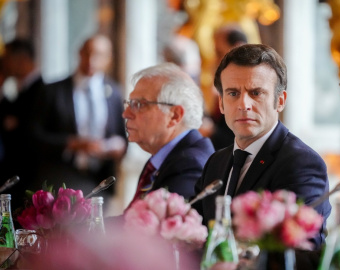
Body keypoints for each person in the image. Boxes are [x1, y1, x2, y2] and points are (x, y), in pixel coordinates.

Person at [192, 44, 331, 248]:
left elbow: (303, 250)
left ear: (280, 101)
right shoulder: (215, 162)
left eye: (256, 93)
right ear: (221, 103)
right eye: (233, 93)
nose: (243, 104)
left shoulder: (301, 163)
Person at [32, 34, 127, 201]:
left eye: (98, 55)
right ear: (79, 53)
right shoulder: (53, 91)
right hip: (61, 178)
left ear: (108, 59)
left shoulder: (114, 92)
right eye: (88, 53)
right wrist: (71, 143)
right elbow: (33, 135)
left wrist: (114, 147)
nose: (91, 60)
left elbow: (122, 137)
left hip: (100, 181)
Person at [123, 63, 214, 208]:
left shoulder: (190, 164)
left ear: (175, 116)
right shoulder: (161, 159)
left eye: (138, 104)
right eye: (129, 104)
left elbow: (150, 227)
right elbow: (131, 220)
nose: (126, 113)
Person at [0, 39, 45, 211]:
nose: (3, 63)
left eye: (6, 58)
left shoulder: (42, 92)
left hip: (29, 181)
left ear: (22, 59)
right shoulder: (20, 92)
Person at [209, 25, 248, 150]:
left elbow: (244, 137)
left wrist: (211, 132)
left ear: (236, 47)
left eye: (219, 52)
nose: (216, 59)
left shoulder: (249, 85)